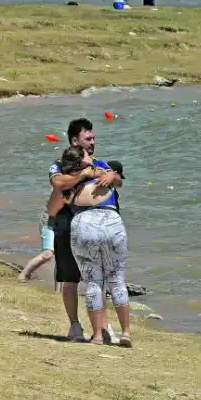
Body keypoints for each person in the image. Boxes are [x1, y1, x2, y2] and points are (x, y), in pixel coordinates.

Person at [49, 118, 121, 341]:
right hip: (67, 226)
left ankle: (102, 328)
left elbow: (118, 180)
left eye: (93, 137)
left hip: (99, 228)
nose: (93, 141)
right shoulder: (60, 164)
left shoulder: (100, 163)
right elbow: (58, 184)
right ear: (74, 141)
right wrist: (84, 175)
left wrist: (111, 175)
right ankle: (75, 326)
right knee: (70, 280)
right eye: (88, 138)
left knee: (98, 279)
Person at [60, 147, 132, 347]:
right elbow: (119, 182)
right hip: (110, 220)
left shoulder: (68, 182)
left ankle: (98, 335)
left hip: (83, 223)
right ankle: (126, 332)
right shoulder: (101, 173)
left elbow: (62, 201)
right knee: (117, 280)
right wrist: (109, 174)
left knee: (93, 283)